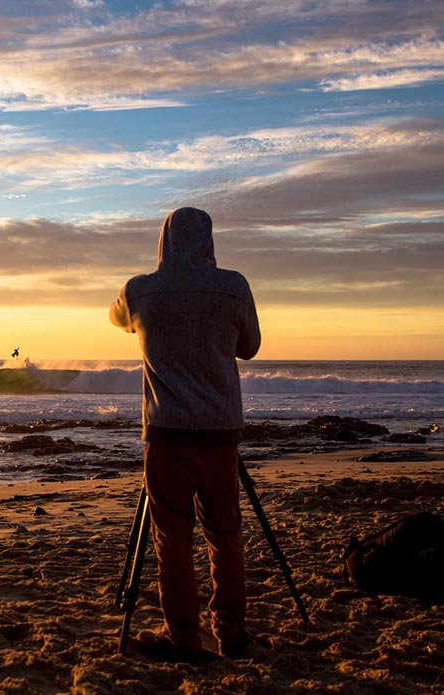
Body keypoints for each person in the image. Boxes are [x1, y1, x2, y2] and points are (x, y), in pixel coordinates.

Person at [109, 207, 261, 663]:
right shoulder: (233, 286)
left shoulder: (139, 290)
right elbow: (249, 347)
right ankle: (231, 633)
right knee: (225, 533)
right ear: (209, 240)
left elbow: (118, 320)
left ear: (164, 241)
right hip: (219, 433)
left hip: (167, 434)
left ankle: (184, 637)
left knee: (172, 539)